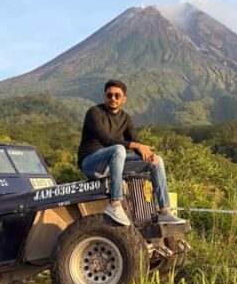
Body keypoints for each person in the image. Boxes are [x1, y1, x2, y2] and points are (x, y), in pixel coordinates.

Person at [78, 80, 183, 227]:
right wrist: (137, 145)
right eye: (109, 95)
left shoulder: (126, 118)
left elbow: (135, 141)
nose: (113, 98)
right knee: (118, 149)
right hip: (91, 164)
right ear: (104, 97)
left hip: (114, 164)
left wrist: (148, 153)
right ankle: (115, 204)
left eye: (117, 95)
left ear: (124, 99)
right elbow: (106, 140)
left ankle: (164, 212)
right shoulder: (94, 113)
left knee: (156, 161)